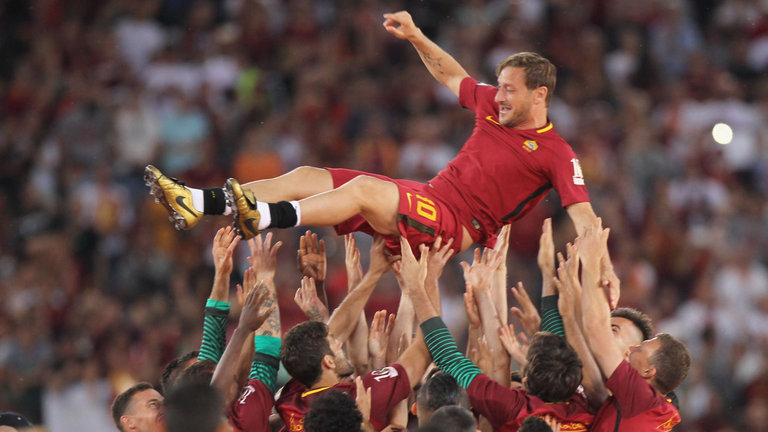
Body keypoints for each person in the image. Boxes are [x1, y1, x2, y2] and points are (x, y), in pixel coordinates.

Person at [144, 10, 618, 298]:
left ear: (540, 95)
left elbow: (584, 217)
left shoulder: (557, 153)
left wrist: (605, 268)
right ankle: (197, 201)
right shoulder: (495, 107)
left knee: (363, 188)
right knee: (309, 174)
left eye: (511, 90)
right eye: (500, 87)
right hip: (429, 196)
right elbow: (452, 75)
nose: (500, 96)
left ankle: (264, 217)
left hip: (455, 227)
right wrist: (416, 36)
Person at [400, 238, 593, 431]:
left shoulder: (513, 407)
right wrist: (547, 273)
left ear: (526, 379)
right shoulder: (584, 405)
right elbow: (558, 353)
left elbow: (448, 357)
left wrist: (416, 287)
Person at [577, 220, 691, 431]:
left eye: (639, 349)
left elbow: (594, 327)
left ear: (648, 371)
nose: (631, 349)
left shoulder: (640, 397)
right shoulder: (654, 406)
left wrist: (591, 261)